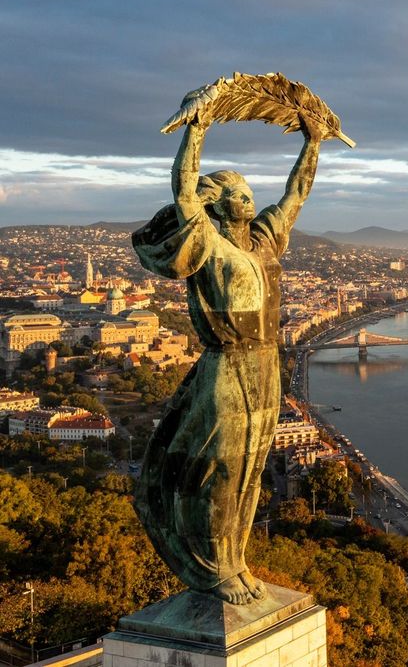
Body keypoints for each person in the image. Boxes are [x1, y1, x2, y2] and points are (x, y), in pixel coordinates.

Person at [131, 112, 325, 604]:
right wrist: (197, 128)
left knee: (250, 471)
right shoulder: (205, 243)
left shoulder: (264, 240)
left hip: (267, 365)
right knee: (220, 470)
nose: (248, 198)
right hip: (227, 364)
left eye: (248, 191)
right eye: (237, 194)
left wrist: (313, 141)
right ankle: (214, 568)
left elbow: (296, 194)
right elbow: (183, 190)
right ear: (218, 204)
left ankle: (235, 561)